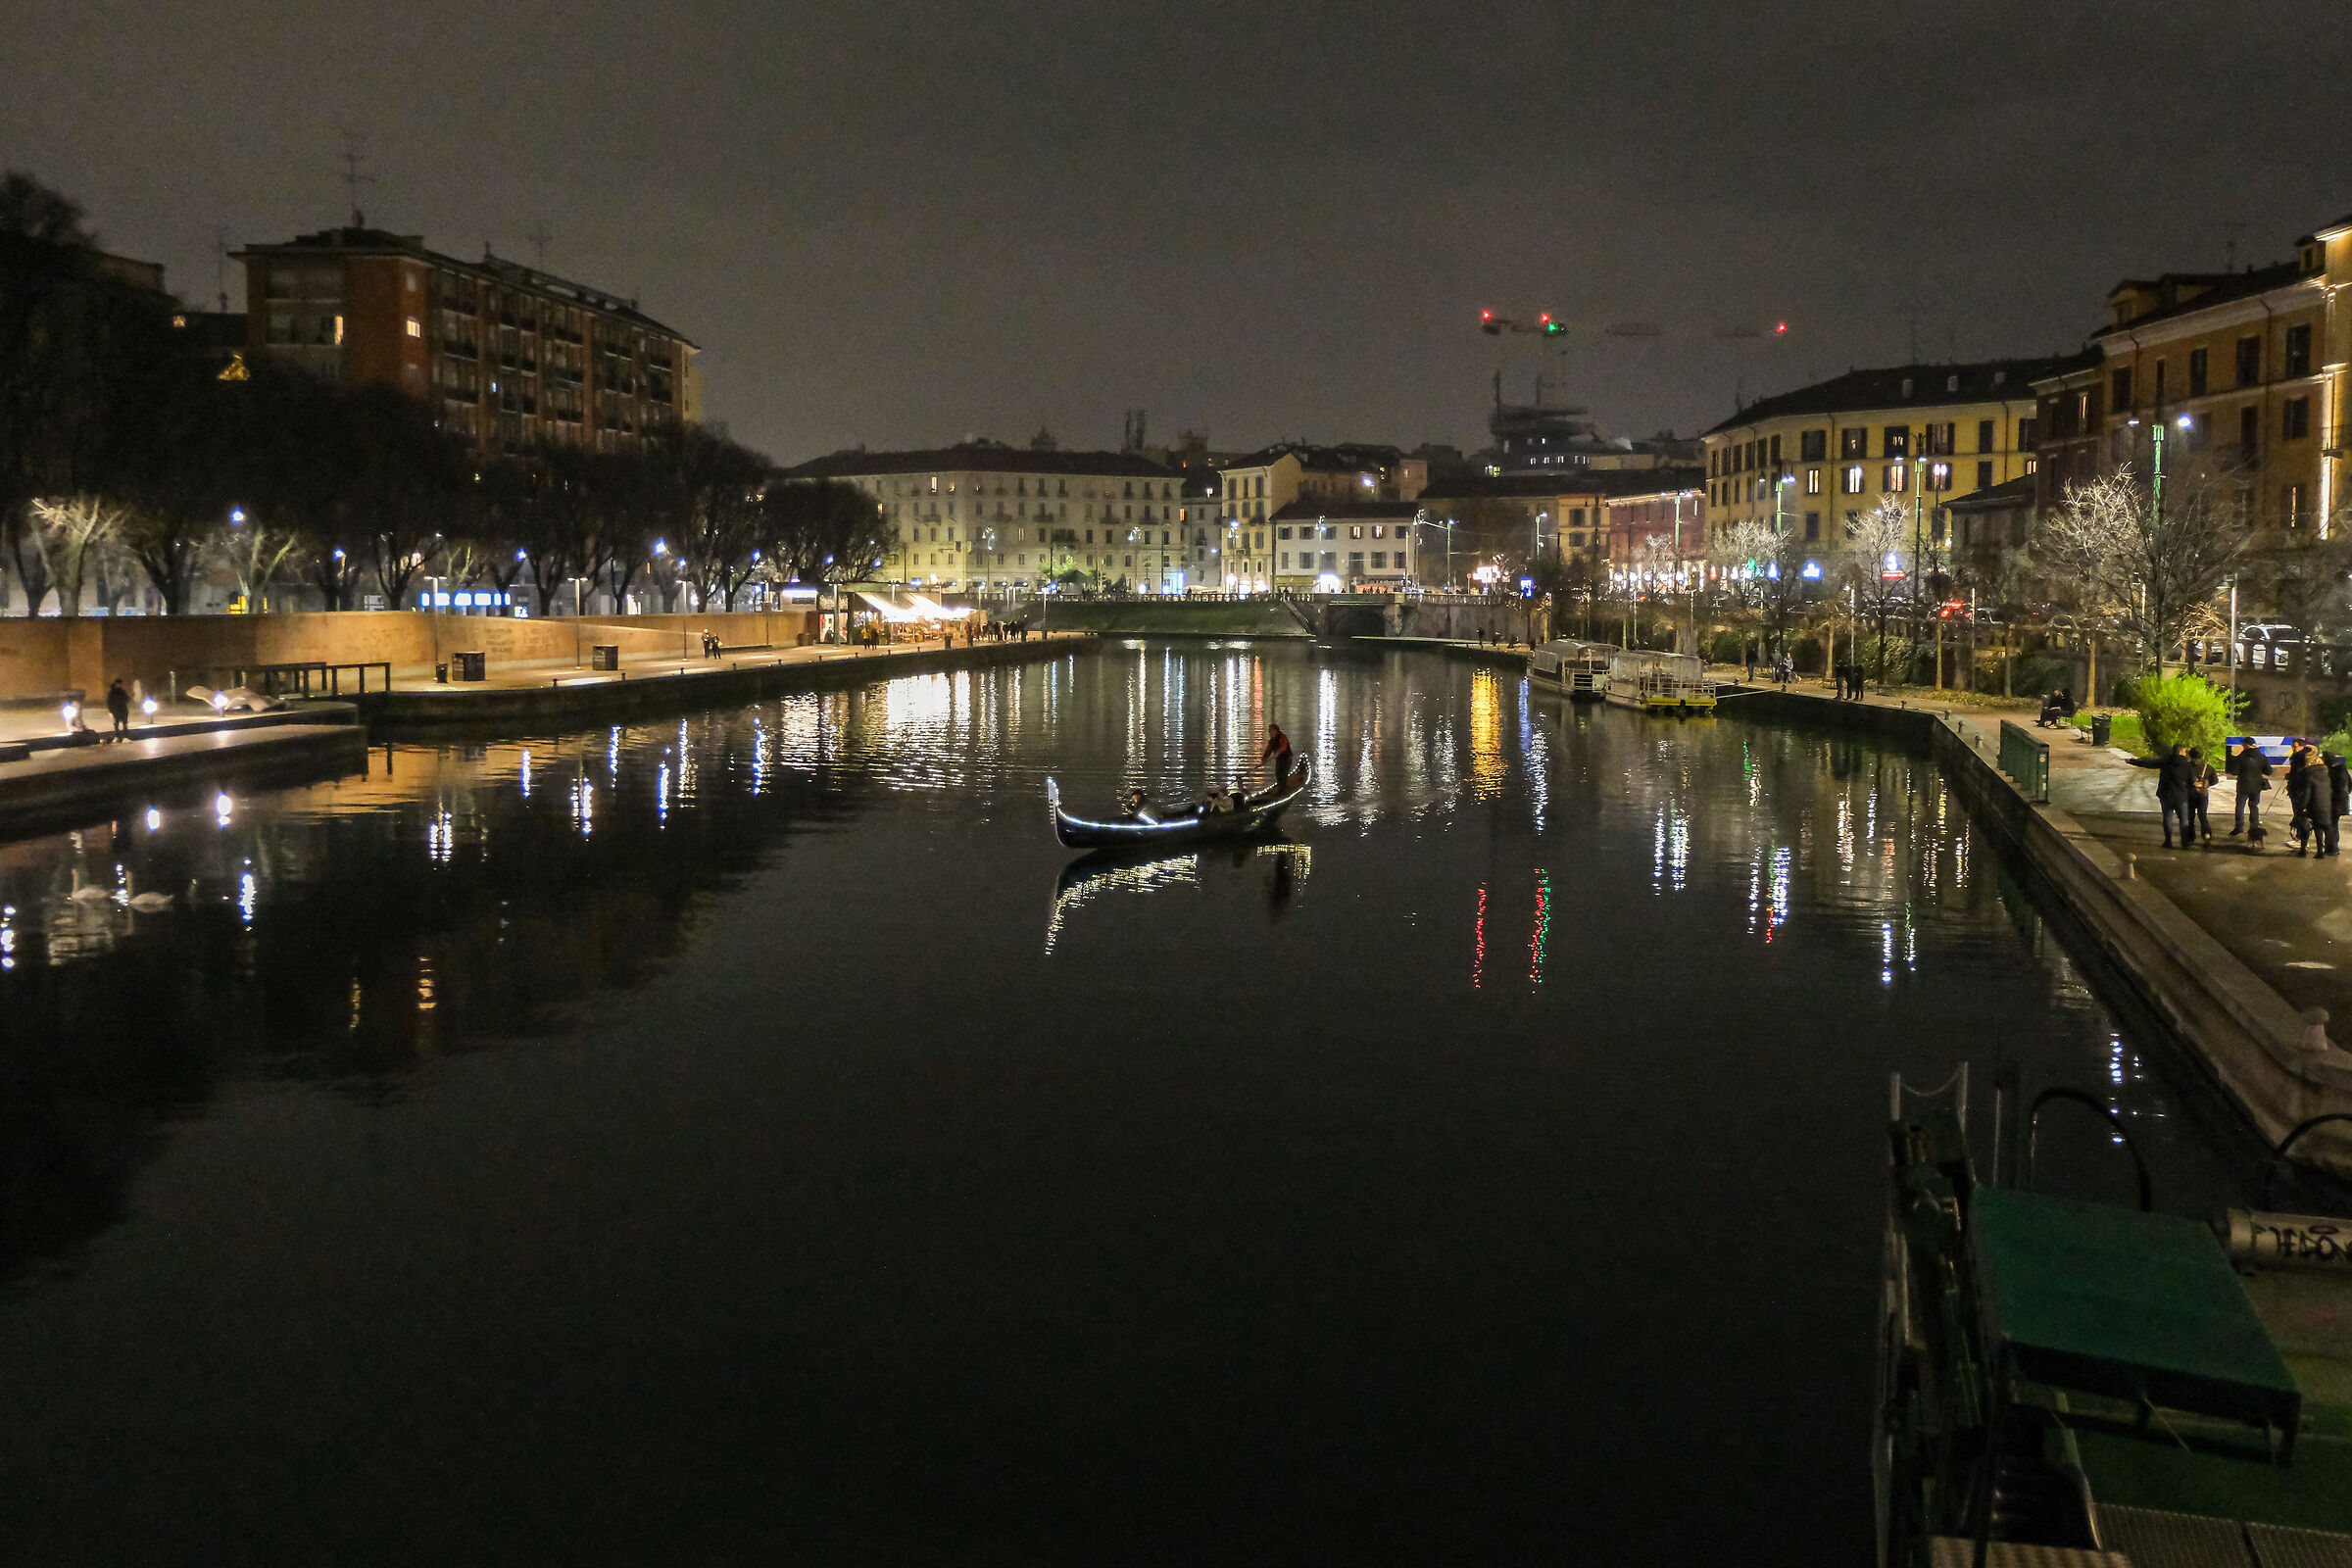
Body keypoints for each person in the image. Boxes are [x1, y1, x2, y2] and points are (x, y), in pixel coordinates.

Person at [2156, 742, 2191, 849]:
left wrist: (2132, 761)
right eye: (2184, 751)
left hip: (2166, 794)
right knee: (2184, 820)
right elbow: (2191, 780)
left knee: (2167, 819)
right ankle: (2184, 842)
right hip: (2181, 796)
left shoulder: (2165, 761)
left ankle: (2168, 841)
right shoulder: (2187, 764)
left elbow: (2150, 763)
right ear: (2181, 752)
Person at [2288, 739, 2321, 855]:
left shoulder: (2301, 758)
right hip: (2296, 789)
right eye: (2292, 746)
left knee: (2301, 815)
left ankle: (2302, 840)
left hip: (2299, 790)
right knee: (2299, 815)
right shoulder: (2297, 756)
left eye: (2295, 746)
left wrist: (2293, 780)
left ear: (2302, 746)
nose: (2293, 748)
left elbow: (2300, 774)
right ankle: (2300, 838)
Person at [2239, 741, 2274, 848]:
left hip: (2243, 785)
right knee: (2254, 806)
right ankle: (2254, 826)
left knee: (2240, 805)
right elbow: (2269, 771)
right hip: (2256, 786)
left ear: (2247, 745)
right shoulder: (2261, 756)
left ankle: (2239, 826)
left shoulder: (2242, 756)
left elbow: (2234, 769)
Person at [2185, 747, 2217, 847]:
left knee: (2190, 817)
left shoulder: (2186, 767)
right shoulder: (2208, 767)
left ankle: (2190, 837)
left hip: (2189, 795)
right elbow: (2215, 780)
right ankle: (2207, 835)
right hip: (2202, 795)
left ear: (2190, 755)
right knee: (2202, 816)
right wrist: (2206, 785)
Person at [2327, 748, 2352, 858]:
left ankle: (2332, 848)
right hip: (2343, 801)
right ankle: (2334, 846)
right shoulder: (2342, 768)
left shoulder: (2330, 770)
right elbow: (2350, 784)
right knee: (2334, 824)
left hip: (2334, 801)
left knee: (2330, 825)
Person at [1260, 722, 1294, 789]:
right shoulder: (1271, 741)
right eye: (1269, 730)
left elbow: (1283, 746)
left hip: (1287, 758)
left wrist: (1278, 752)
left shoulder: (1282, 737)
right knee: (1278, 774)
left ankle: (1283, 789)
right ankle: (1281, 787)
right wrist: (1263, 759)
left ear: (1276, 730)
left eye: (1272, 730)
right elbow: (1268, 751)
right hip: (1279, 759)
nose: (1270, 732)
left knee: (1283, 774)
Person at [105, 677, 130, 741]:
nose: (120, 685)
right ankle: (121, 736)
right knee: (119, 723)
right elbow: (109, 702)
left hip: (120, 710)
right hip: (119, 710)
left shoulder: (119, 691)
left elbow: (125, 699)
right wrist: (111, 710)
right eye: (119, 684)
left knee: (121, 723)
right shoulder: (115, 692)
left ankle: (121, 736)